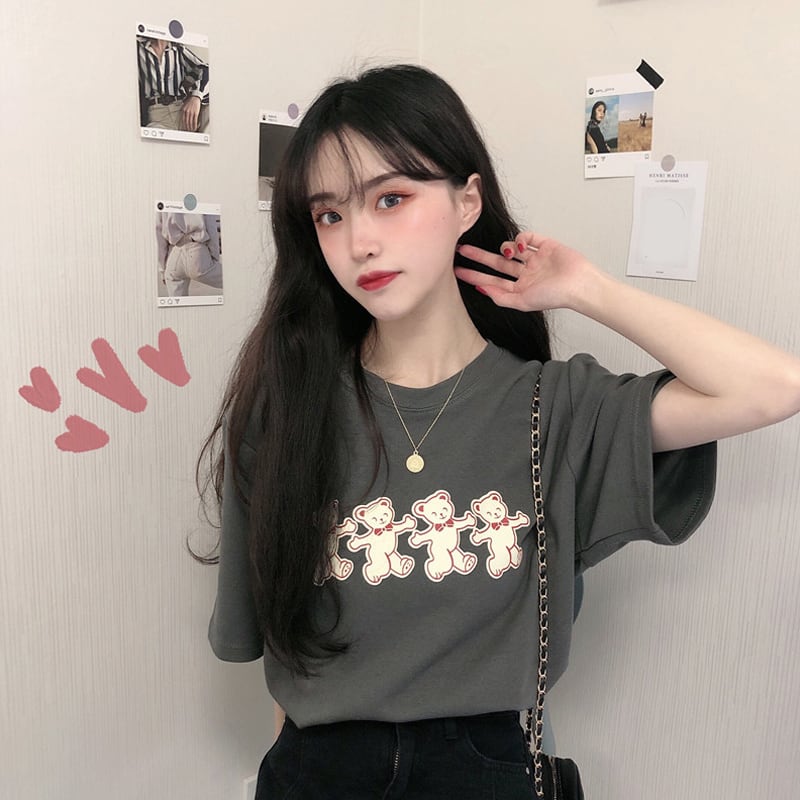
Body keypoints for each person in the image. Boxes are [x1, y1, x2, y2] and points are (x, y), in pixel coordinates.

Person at [200, 65, 800, 799]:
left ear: (467, 201)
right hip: (316, 774)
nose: (359, 241)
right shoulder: (286, 411)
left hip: (487, 773)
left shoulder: (555, 407)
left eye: (390, 199)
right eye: (329, 215)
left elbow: (774, 387)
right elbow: (287, 657)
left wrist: (587, 290)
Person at [137, 37, 209, 132]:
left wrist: (196, 97)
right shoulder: (138, 48)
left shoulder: (178, 50)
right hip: (157, 115)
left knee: (211, 113)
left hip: (182, 111)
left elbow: (206, 69)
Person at [156, 211, 222, 296]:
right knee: (233, 279)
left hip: (175, 253)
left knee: (177, 302)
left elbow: (159, 234)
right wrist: (214, 256)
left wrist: (162, 269)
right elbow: (211, 227)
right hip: (197, 250)